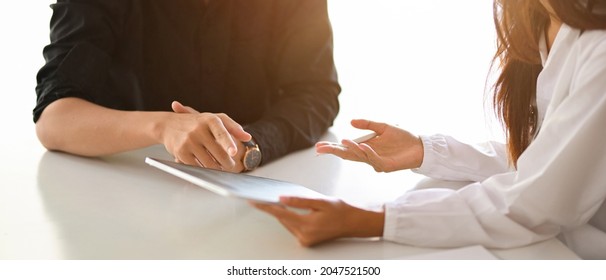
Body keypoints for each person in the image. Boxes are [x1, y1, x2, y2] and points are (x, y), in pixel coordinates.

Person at [253, 0, 606, 259]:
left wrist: (372, 221)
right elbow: (544, 159)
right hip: (560, 229)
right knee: (432, 189)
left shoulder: (598, 47)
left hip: (583, 246)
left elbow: (541, 201)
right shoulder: (539, 18)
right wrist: (425, 150)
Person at [34, 0, 340, 173]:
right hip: (129, 187)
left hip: (250, 189)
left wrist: (249, 145)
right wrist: (164, 127)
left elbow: (316, 92)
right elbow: (55, 119)